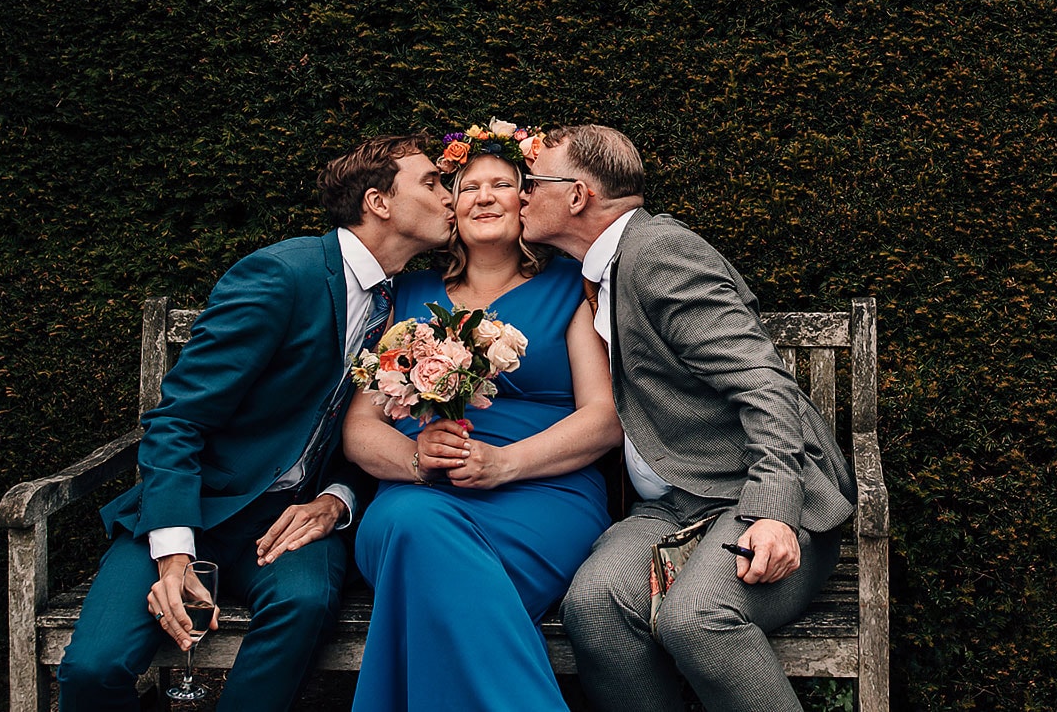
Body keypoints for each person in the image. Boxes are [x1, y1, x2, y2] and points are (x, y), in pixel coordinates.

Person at [56, 134, 455, 711]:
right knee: (93, 669)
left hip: (294, 517)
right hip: (200, 507)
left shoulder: (409, 302)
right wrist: (174, 552)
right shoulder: (280, 276)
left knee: (303, 605)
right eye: (432, 183)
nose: (450, 196)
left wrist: (339, 498)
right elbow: (178, 421)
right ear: (379, 202)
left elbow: (365, 430)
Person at [519, 124, 857, 712]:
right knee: (594, 603)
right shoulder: (601, 271)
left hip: (755, 496)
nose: (520, 193)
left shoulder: (658, 255)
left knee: (697, 616)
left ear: (577, 196)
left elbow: (763, 383)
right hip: (674, 505)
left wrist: (774, 513)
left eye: (531, 181)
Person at [343, 121, 622, 712]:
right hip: (421, 489)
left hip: (545, 493)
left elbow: (604, 418)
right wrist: (416, 460)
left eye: (503, 184)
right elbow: (361, 427)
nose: (484, 197)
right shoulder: (407, 294)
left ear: (527, 202)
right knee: (416, 527)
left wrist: (506, 463)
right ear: (452, 206)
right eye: (468, 187)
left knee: (428, 580)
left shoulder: (572, 288)